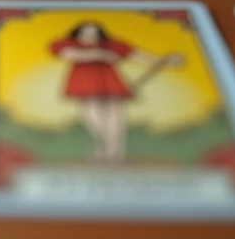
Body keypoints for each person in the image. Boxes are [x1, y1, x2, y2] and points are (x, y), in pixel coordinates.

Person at [49, 21, 181, 162]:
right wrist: (101, 55)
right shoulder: (69, 43)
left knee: (116, 115)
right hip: (85, 81)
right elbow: (69, 55)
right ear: (77, 33)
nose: (90, 35)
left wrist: (166, 60)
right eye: (85, 32)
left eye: (94, 32)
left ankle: (114, 150)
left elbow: (139, 56)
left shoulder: (112, 44)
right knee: (92, 114)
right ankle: (107, 146)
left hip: (110, 80)